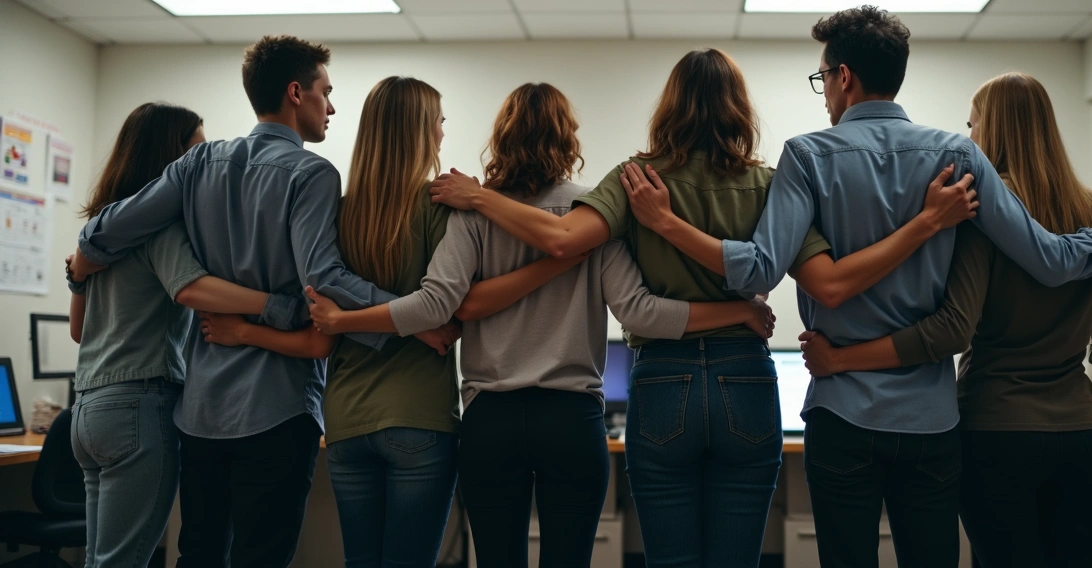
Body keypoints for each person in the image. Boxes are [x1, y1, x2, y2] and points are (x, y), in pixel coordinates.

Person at [616, 8, 1092, 567]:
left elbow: (761, 269)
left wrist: (667, 223)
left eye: (822, 79)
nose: (824, 94)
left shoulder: (807, 156)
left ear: (844, 77)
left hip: (844, 412)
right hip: (932, 419)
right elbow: (1050, 262)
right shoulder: (957, 158)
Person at [425, 51, 977, 568]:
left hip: (664, 380)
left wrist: (480, 197)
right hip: (747, 381)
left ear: (668, 106)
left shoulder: (635, 178)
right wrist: (922, 225)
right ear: (740, 109)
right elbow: (825, 281)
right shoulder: (770, 183)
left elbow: (566, 242)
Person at [305, 82, 780, 568]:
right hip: (571, 420)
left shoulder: (471, 213)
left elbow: (442, 305)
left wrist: (345, 319)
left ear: (502, 138)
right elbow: (640, 313)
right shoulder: (595, 216)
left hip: (491, 419)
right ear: (568, 138)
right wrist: (738, 311)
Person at [194, 76, 575, 568]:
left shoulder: (337, 213)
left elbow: (323, 318)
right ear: (420, 131)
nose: (442, 133)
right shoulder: (442, 210)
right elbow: (454, 312)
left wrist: (344, 319)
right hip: (419, 419)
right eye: (438, 122)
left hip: (347, 421)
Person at [69, 36, 401, 568]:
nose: (332, 107)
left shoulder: (197, 163)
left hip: (200, 411)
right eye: (326, 92)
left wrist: (84, 257)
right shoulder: (313, 173)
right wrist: (410, 315)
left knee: (197, 553)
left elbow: (112, 224)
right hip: (277, 405)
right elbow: (324, 279)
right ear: (296, 93)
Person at [801, 72, 1092, 568]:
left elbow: (950, 330)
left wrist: (841, 358)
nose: (969, 138)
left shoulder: (982, 216)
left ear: (992, 131)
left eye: (973, 125)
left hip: (994, 431)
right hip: (1080, 439)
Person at [65, 103, 304, 568]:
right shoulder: (159, 226)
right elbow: (191, 289)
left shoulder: (101, 229)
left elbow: (79, 330)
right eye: (196, 148)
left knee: (102, 560)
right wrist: (274, 305)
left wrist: (75, 279)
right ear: (172, 159)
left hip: (87, 411)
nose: (202, 164)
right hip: (139, 404)